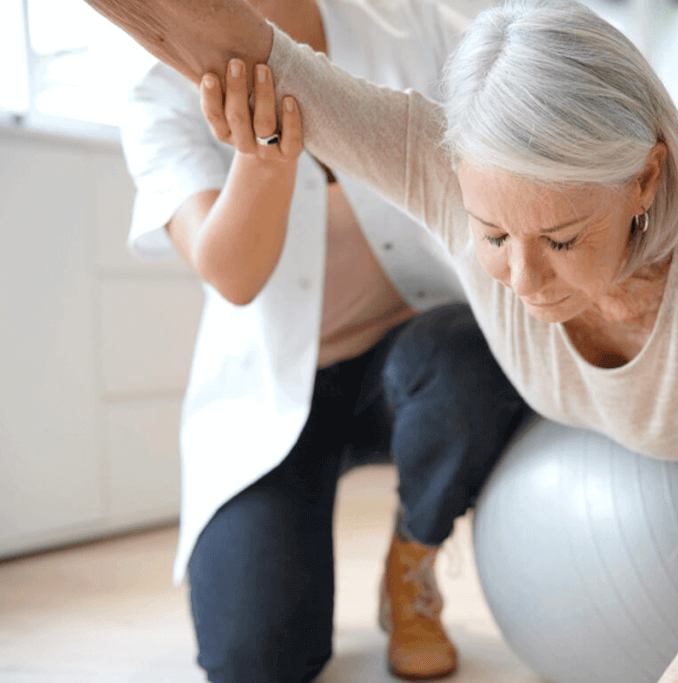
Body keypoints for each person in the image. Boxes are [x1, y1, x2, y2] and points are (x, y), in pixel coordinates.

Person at [91, 0, 678, 681]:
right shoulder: (442, 167)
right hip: (287, 387)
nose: (523, 281)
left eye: (563, 240)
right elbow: (253, 54)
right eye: (494, 239)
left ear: (645, 179)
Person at [117, 1, 526, 682]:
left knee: (467, 358)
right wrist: (264, 158)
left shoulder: (412, 23)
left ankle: (412, 562)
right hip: (272, 396)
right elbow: (235, 275)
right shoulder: (157, 91)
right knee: (258, 662)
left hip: (417, 360)